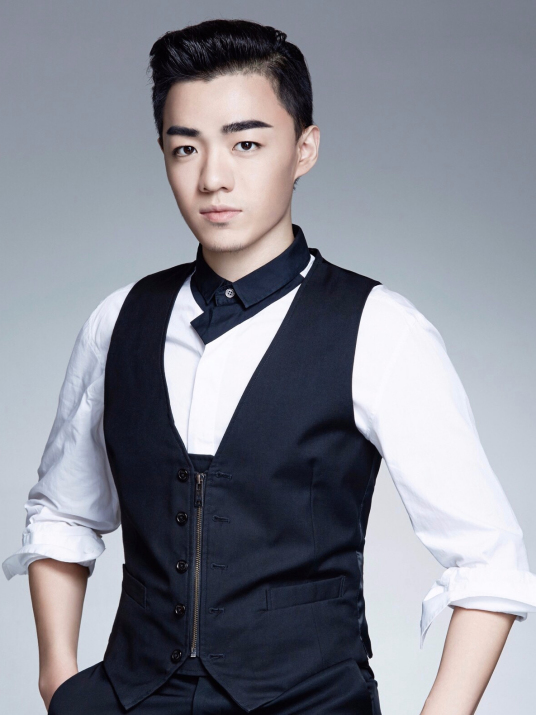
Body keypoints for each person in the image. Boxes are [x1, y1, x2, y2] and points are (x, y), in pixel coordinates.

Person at [3, 18, 536, 715]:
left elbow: (489, 561)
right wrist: (59, 679)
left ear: (304, 148)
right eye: (185, 147)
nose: (212, 177)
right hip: (129, 698)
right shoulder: (119, 320)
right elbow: (62, 513)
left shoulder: (380, 329)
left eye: (246, 143)